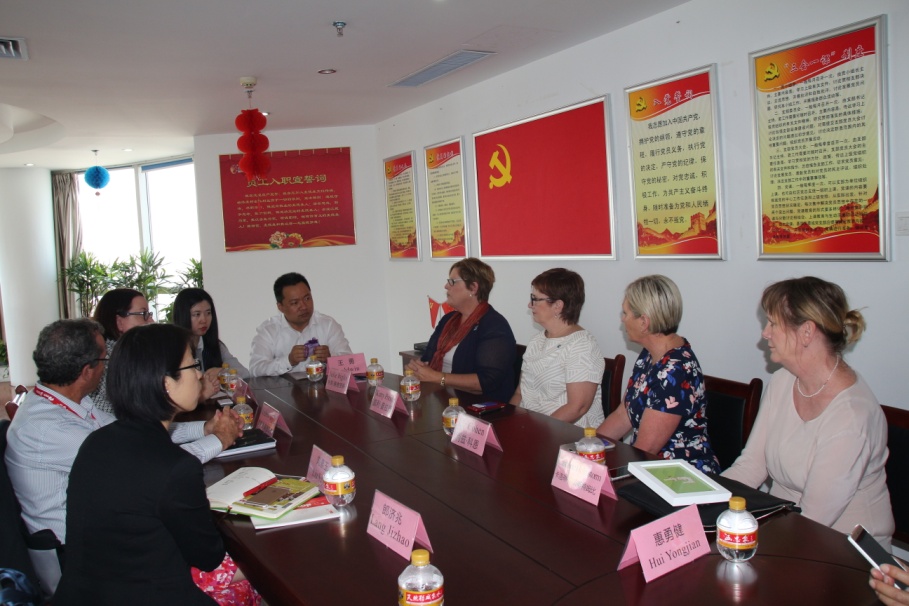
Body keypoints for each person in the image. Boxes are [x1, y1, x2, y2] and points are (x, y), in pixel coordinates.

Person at [54, 324, 259, 605]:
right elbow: (208, 556)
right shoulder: (175, 467)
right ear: (166, 384)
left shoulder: (96, 442)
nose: (200, 374)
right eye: (192, 366)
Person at [722, 276, 893, 548]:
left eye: (773, 323)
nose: (765, 333)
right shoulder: (783, 380)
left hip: (846, 552)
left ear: (806, 332)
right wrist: (704, 500)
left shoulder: (852, 416)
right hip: (786, 528)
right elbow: (751, 466)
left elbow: (813, 520)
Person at [90, 288, 241, 463]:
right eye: (143, 314)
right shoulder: (115, 364)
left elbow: (155, 430)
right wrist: (219, 439)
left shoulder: (126, 427)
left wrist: (205, 428)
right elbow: (167, 463)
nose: (151, 320)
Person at [596, 275, 719, 473]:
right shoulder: (650, 355)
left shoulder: (675, 371)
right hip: (648, 466)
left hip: (679, 476)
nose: (622, 319)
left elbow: (647, 449)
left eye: (625, 313)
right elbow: (623, 414)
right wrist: (588, 448)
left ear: (644, 322)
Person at [407, 257, 516, 403]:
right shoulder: (448, 320)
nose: (446, 286)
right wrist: (418, 368)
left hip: (480, 406)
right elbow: (428, 358)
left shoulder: (494, 326)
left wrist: (437, 377)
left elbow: (485, 382)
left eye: (452, 281)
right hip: (443, 397)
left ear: (473, 288)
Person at [510, 268, 605, 427]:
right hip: (531, 428)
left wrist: (536, 433)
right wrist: (509, 423)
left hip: (568, 434)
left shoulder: (582, 345)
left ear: (557, 306)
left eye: (535, 299)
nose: (530, 304)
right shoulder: (537, 341)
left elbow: (577, 408)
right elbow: (520, 394)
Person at [249, 272, 352, 376]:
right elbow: (256, 369)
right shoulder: (268, 330)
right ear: (280, 307)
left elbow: (350, 362)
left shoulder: (328, 325)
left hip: (321, 385)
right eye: (295, 303)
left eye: (307, 298)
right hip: (284, 387)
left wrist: (330, 358)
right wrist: (288, 361)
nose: (303, 306)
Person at [173, 287, 249, 380]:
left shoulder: (215, 345)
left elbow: (245, 373)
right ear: (183, 316)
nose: (204, 320)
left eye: (208, 313)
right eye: (197, 314)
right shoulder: (172, 349)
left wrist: (222, 372)